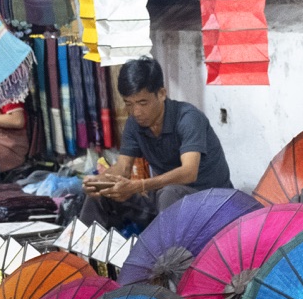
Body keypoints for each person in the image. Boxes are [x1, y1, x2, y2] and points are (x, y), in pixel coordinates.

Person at [80, 57, 231, 230]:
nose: (135, 111)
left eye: (142, 103)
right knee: (100, 195)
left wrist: (141, 185)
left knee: (169, 193)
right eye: (129, 104)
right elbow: (123, 169)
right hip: (164, 205)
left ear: (161, 94)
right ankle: (80, 253)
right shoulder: (134, 124)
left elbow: (189, 172)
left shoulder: (188, 118)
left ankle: (168, 257)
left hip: (210, 205)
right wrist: (99, 182)